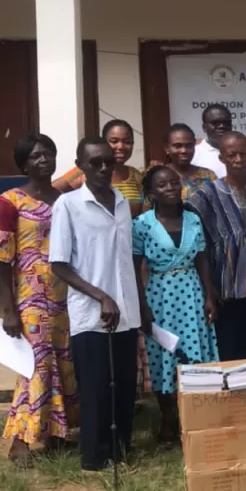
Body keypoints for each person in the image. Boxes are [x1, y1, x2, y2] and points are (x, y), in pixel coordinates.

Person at [0, 134, 78, 464]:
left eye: (48, 154)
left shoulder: (64, 199)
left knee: (64, 364)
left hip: (65, 296)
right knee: (34, 367)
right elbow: (0, 257)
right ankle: (20, 441)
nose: (44, 160)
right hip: (30, 299)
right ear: (23, 164)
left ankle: (56, 433)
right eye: (36, 156)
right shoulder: (9, 202)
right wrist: (9, 310)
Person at [49, 138, 141, 472]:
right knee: (95, 386)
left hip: (126, 311)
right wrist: (101, 296)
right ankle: (94, 456)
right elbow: (59, 265)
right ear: (80, 167)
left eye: (108, 162)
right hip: (91, 313)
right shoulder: (69, 204)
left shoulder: (122, 202)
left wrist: (137, 304)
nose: (104, 168)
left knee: (124, 386)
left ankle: (121, 450)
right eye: (95, 163)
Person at [133, 167, 219, 442]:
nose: (170, 187)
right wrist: (142, 306)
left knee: (195, 352)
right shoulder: (142, 224)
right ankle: (168, 418)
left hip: (191, 293)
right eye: (162, 185)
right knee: (163, 355)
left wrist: (209, 296)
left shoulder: (193, 219)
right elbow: (135, 267)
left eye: (174, 182)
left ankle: (196, 415)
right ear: (151, 193)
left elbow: (202, 259)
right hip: (160, 296)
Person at [190, 131, 246, 362]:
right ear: (222, 158)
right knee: (228, 344)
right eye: (232, 155)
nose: (238, 160)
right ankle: (230, 386)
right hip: (226, 281)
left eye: (243, 154)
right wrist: (209, 288)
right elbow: (202, 246)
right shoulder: (206, 195)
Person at [54, 119, 144, 215]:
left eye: (127, 142)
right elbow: (50, 191)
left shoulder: (136, 176)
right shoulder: (85, 171)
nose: (121, 146)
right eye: (114, 141)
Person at [192, 103, 246, 178]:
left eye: (227, 123)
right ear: (204, 127)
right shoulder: (194, 154)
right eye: (215, 123)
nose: (222, 126)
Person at [162, 123, 217, 199]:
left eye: (189, 146)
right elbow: (148, 204)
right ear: (167, 148)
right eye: (177, 146)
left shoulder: (209, 176)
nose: (184, 150)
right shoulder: (156, 176)